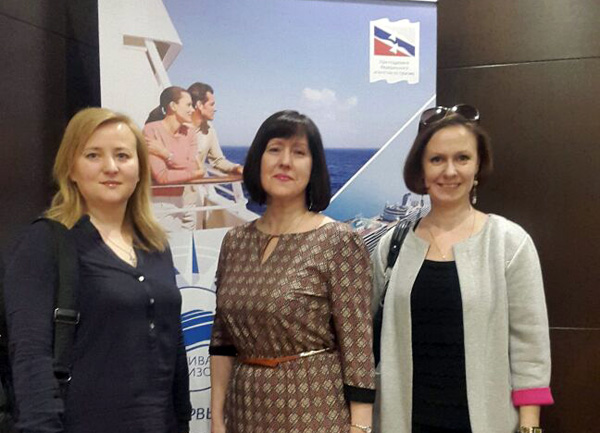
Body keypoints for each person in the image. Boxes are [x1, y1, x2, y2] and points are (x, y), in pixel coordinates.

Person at [3, 108, 192, 432]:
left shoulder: (156, 245)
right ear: (71, 168)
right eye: (93, 155)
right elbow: (31, 356)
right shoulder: (45, 243)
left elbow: (173, 349)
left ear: (139, 168)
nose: (111, 167)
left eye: (122, 155)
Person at [372, 106, 553, 433]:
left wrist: (530, 427)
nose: (450, 171)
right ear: (422, 168)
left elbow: (530, 349)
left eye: (462, 158)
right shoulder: (392, 246)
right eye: (437, 159)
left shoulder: (509, 243)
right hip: (403, 421)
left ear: (478, 165)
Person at [209, 110, 375, 433]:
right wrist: (217, 416)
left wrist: (360, 426)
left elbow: (358, 346)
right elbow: (222, 340)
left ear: (314, 168)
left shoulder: (338, 241)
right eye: (275, 149)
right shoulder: (235, 242)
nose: (285, 161)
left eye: (298, 152)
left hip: (313, 412)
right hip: (243, 412)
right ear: (257, 160)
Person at [187, 82, 243, 175]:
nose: (215, 109)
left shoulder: (209, 128)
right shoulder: (177, 127)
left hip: (198, 183)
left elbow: (218, 161)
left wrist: (236, 168)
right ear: (199, 105)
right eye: (211, 104)